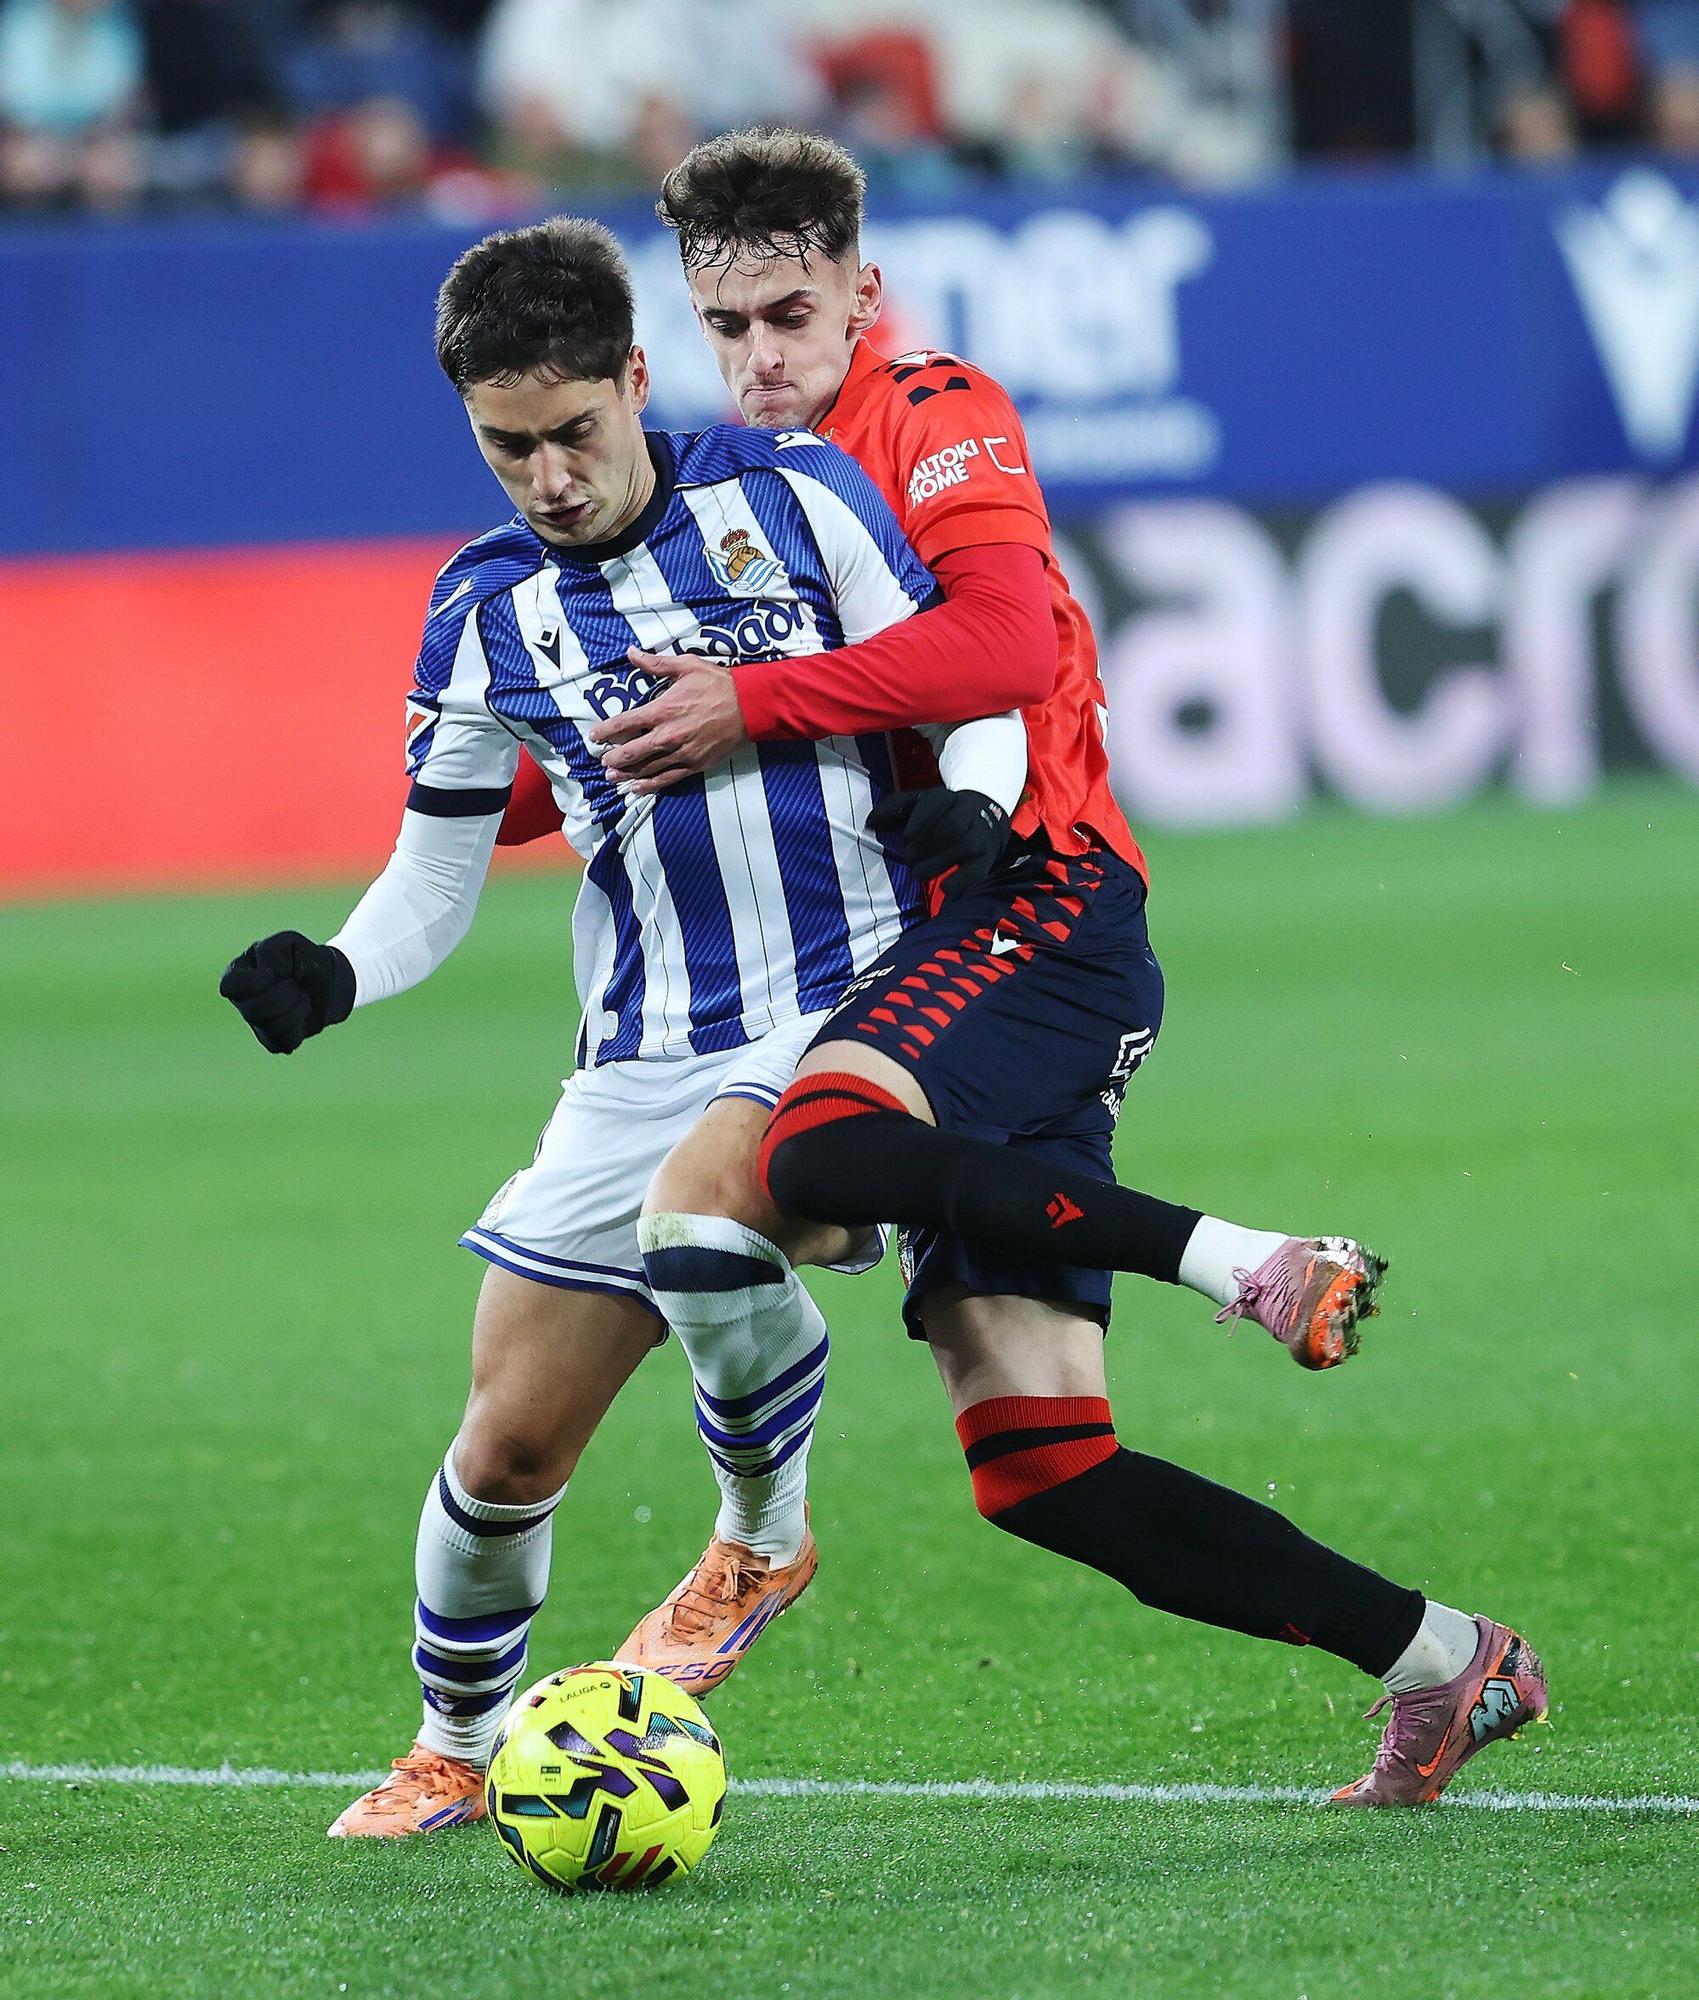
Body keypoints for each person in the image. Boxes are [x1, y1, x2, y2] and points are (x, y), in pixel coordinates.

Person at [580, 128, 1547, 1806]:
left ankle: (1249, 1261)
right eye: (727, 328)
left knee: (806, 1149)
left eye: (791, 316)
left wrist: (888, 762)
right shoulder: (731, 483)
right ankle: (1448, 1663)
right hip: (941, 939)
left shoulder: (932, 409)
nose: (763, 360)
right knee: (1045, 1471)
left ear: (860, 292)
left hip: (1041, 906)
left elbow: (1009, 641)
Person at [218, 214, 1027, 1836]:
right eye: (506, 447)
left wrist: (980, 813)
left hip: (856, 1002)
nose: (549, 478)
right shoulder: (479, 614)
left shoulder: (790, 497)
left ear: (633, 382)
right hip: (641, 1044)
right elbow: (433, 883)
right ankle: (458, 1738)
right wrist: (339, 970)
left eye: (574, 433)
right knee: (505, 1447)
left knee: (704, 1233)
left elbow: (968, 688)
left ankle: (759, 1534)